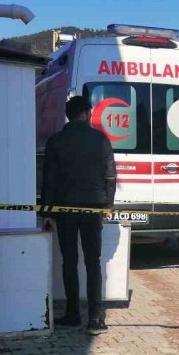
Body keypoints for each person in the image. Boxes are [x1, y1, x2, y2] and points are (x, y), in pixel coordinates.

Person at [41, 95, 117, 334]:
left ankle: (73, 314)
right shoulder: (101, 139)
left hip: (64, 210)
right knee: (93, 262)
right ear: (87, 113)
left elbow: (49, 181)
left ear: (69, 115)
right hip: (93, 207)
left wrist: (46, 212)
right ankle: (95, 318)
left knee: (70, 261)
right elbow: (110, 177)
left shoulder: (56, 141)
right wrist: (107, 205)